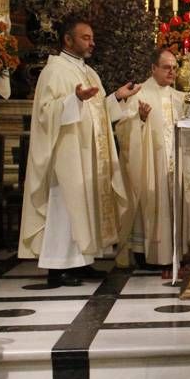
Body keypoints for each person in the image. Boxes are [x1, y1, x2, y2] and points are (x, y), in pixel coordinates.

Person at [19, 18, 141, 287]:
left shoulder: (89, 73)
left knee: (86, 208)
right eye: (86, 37)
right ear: (68, 39)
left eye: (92, 37)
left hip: (89, 154)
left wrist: (118, 97)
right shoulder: (55, 71)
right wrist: (73, 99)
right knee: (66, 209)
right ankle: (58, 267)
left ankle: (82, 262)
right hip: (67, 156)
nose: (92, 42)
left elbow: (98, 115)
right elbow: (44, 113)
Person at [114, 49, 186, 274]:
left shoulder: (179, 97)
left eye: (174, 67)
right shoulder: (139, 94)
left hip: (174, 163)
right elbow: (122, 130)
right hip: (150, 164)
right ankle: (145, 254)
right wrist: (140, 119)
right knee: (150, 203)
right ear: (153, 68)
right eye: (166, 67)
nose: (171, 71)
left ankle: (172, 251)